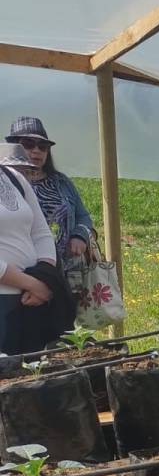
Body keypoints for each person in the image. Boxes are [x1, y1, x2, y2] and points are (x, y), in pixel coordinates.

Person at [6, 117, 95, 268]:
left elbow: (83, 216)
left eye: (43, 146)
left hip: (66, 270)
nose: (36, 150)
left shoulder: (62, 182)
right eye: (28, 144)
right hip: (21, 269)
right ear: (13, 147)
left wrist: (80, 235)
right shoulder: (5, 183)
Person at [0, 143, 59, 351]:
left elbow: (41, 231)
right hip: (8, 297)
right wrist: (33, 284)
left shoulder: (13, 177)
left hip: (29, 300)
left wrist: (44, 274)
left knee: (30, 375)